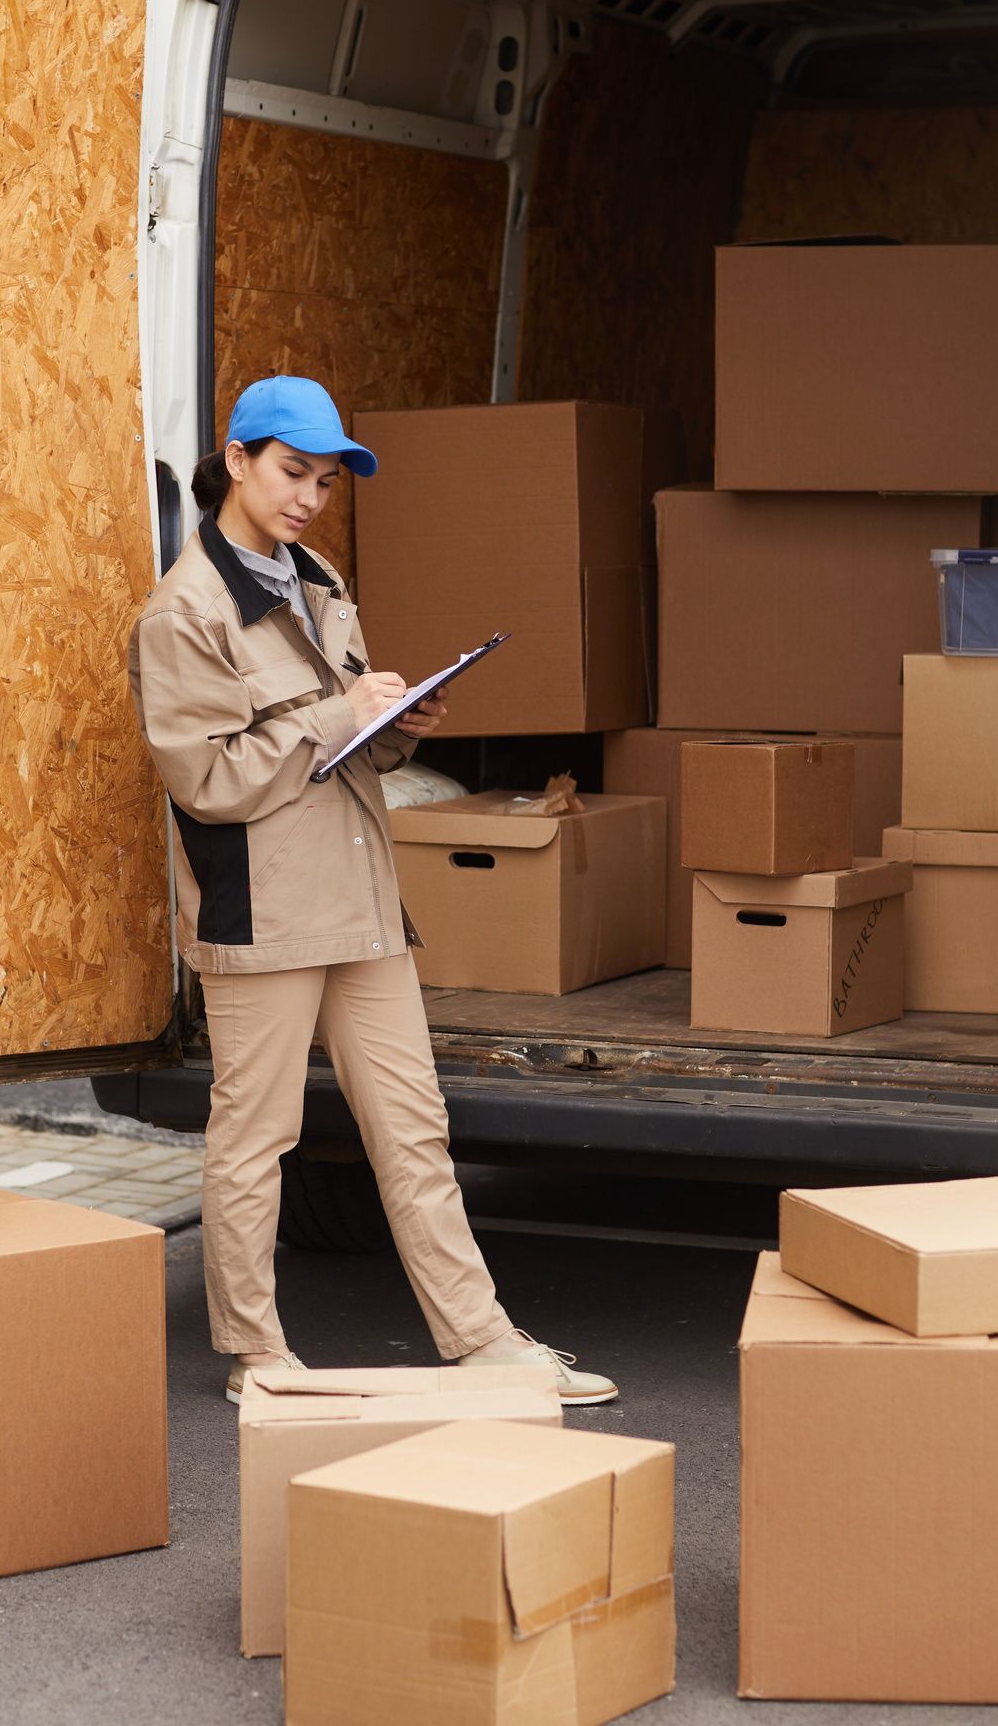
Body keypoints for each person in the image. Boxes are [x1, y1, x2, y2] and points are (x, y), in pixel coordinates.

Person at [127, 374, 617, 1407]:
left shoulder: (317, 578)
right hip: (262, 909)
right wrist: (332, 710)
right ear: (239, 456)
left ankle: (481, 1337)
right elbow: (208, 780)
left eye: (325, 478)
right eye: (293, 471)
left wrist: (394, 727)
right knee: (255, 1136)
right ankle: (256, 1355)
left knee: (413, 1123)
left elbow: (337, 751)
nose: (309, 495)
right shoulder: (184, 611)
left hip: (359, 896)